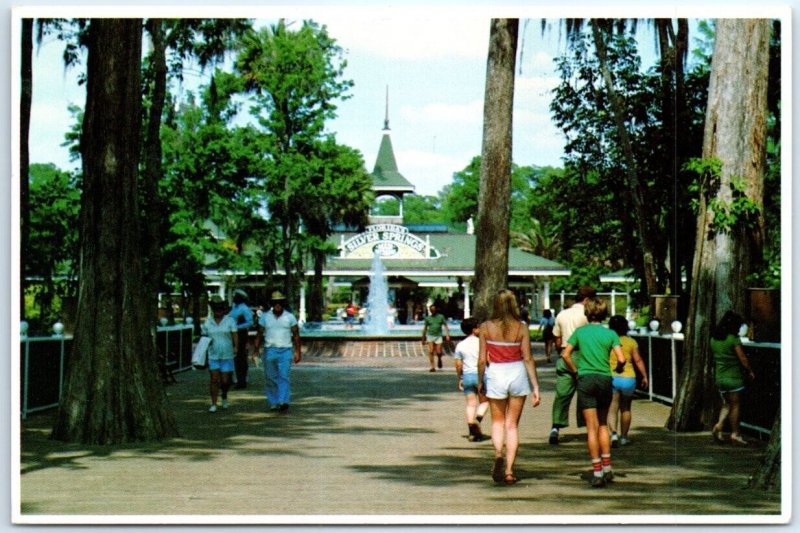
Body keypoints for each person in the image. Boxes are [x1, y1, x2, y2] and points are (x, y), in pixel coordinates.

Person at [560, 298, 626, 488]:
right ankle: (607, 468)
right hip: (604, 379)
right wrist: (619, 369)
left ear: (587, 314)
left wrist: (575, 371)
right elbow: (621, 359)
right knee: (603, 424)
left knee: (591, 428)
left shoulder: (580, 333)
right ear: (604, 314)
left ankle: (596, 471)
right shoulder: (611, 334)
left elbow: (565, 354)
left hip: (585, 379)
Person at [477, 290, 541, 485]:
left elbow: (481, 359)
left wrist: (480, 381)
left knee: (497, 422)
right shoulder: (521, 328)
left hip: (496, 372)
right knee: (511, 425)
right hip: (517, 372)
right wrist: (535, 386)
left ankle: (498, 453)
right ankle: (509, 471)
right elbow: (528, 358)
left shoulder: (486, 327)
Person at [548, 285, 596, 445]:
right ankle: (588, 425)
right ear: (587, 300)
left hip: (565, 353)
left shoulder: (562, 314)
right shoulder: (587, 315)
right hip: (583, 354)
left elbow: (557, 338)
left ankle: (556, 426)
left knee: (562, 393)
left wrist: (560, 352)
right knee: (586, 392)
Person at [710, 310, 756, 446]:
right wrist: (750, 370)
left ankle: (719, 427)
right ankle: (735, 434)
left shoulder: (714, 339)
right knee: (735, 405)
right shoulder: (733, 339)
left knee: (726, 404)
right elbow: (742, 358)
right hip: (734, 377)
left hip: (720, 377)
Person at [254, 291, 302, 413]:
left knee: (284, 376)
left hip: (285, 350)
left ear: (283, 303)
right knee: (270, 377)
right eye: (275, 302)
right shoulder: (265, 317)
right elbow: (259, 334)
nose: (278, 305)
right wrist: (256, 351)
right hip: (270, 350)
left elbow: (296, 335)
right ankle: (274, 401)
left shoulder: (289, 317)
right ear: (272, 303)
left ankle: (283, 401)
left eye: (280, 302)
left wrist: (298, 352)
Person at [606, 315, 649, 447]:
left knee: (612, 408)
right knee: (626, 408)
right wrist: (644, 376)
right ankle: (624, 437)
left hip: (612, 376)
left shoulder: (607, 340)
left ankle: (613, 434)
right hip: (628, 378)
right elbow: (638, 360)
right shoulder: (631, 342)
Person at [453, 317, 490, 442]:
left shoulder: (460, 345)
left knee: (470, 404)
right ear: (474, 329)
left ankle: (471, 431)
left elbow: (458, 365)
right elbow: (487, 360)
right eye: (478, 327)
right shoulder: (482, 343)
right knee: (485, 401)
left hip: (468, 376)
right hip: (481, 375)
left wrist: (460, 378)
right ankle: (477, 420)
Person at [201, 295, 239, 413]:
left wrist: (235, 346)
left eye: (220, 309)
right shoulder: (207, 323)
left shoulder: (230, 320)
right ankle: (213, 403)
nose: (218, 311)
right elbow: (204, 339)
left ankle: (224, 395)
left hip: (227, 354)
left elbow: (234, 334)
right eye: (216, 309)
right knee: (214, 379)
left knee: (225, 380)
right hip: (213, 354)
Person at [228, 289, 254, 389]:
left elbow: (250, 322)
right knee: (231, 357)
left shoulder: (244, 309)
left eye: (235, 297)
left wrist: (237, 327)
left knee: (240, 358)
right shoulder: (234, 307)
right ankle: (230, 379)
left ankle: (242, 381)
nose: (233, 298)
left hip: (240, 334)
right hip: (232, 333)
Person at [421, 303, 450, 372]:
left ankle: (439, 358)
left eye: (434, 309)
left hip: (438, 336)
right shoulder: (428, 318)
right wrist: (423, 338)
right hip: (430, 335)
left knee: (439, 351)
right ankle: (432, 367)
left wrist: (447, 335)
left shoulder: (441, 317)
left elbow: (445, 326)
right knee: (431, 351)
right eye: (431, 310)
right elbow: (425, 328)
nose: (433, 311)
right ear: (430, 311)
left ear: (436, 310)